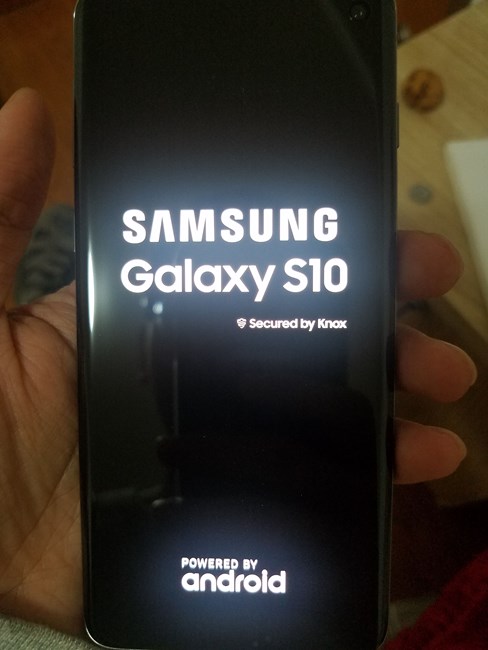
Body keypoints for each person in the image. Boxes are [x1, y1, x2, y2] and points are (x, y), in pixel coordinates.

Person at [0, 89, 477, 646]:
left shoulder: (109, 544)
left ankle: (57, 263)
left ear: (148, 363)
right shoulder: (112, 537)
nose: (232, 358)